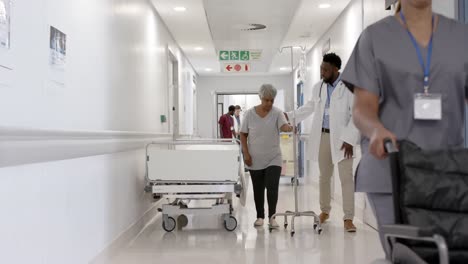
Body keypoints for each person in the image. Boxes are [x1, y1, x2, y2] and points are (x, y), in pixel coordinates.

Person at [341, 0, 468, 252]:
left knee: (450, 254)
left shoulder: (461, 37)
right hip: (392, 170)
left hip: (451, 175)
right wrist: (376, 130)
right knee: (411, 254)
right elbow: (362, 108)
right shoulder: (374, 38)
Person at [285, 53, 360, 232]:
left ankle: (348, 218)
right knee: (324, 177)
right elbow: (310, 107)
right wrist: (289, 116)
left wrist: (350, 139)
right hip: (323, 137)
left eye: (325, 69)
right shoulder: (318, 87)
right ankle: (325, 211)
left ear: (336, 69)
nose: (322, 72)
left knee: (346, 179)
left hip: (343, 139)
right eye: (321, 68)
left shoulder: (349, 87)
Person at [240, 84, 294, 228]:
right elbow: (243, 134)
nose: (269, 103)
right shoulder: (249, 114)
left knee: (272, 187)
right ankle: (260, 217)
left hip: (273, 157)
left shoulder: (277, 113)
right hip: (254, 158)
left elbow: (283, 126)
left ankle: (272, 217)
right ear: (261, 98)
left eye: (272, 100)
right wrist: (246, 153)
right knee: (258, 188)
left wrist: (288, 127)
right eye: (266, 100)